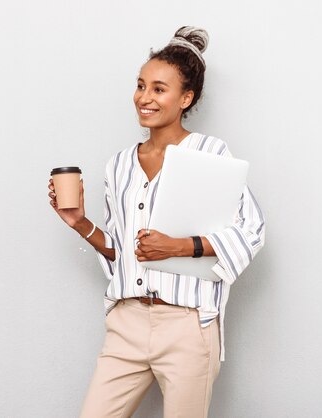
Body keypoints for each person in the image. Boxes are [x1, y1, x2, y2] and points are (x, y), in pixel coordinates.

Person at [47, 26, 265, 418]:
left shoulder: (210, 152)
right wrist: (80, 223)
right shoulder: (119, 164)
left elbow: (252, 230)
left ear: (186, 97)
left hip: (186, 325)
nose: (144, 98)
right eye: (140, 85)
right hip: (126, 322)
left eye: (158, 89)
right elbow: (123, 252)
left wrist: (181, 246)